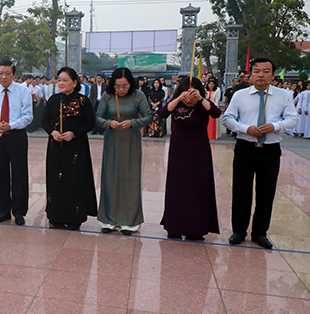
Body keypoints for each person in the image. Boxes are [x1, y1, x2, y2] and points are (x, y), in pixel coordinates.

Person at [222, 58, 298, 248]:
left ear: (273, 75)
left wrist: (275, 126)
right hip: (245, 147)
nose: (261, 75)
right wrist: (245, 128)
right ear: (251, 75)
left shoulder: (283, 96)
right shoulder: (240, 95)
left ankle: (260, 232)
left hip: (270, 149)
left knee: (266, 192)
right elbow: (228, 118)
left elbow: (293, 119)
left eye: (266, 71)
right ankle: (239, 231)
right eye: (256, 71)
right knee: (241, 190)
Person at [158, 77, 222, 240]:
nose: (189, 98)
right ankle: (174, 226)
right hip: (178, 151)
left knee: (198, 188)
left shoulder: (203, 105)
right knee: (177, 188)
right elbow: (162, 113)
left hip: (199, 151)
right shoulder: (177, 103)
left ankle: (196, 229)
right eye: (186, 93)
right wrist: (179, 98)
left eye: (193, 94)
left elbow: (216, 113)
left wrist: (200, 98)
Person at [95, 68, 153, 234]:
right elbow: (98, 117)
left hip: (131, 140)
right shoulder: (107, 96)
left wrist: (133, 123)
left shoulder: (138, 95)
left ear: (131, 84)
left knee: (130, 178)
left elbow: (148, 116)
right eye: (117, 86)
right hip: (112, 140)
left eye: (125, 86)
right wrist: (109, 123)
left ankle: (130, 221)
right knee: (110, 177)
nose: (121, 89)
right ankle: (108, 219)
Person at [42, 67, 97, 230]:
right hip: (56, 147)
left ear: (74, 82)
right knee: (56, 180)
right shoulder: (53, 100)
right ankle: (55, 217)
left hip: (76, 148)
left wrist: (74, 134)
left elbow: (90, 123)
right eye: (59, 80)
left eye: (65, 80)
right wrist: (52, 132)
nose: (61, 83)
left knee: (74, 181)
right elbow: (44, 121)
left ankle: (74, 218)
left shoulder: (83, 101)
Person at [0, 61, 33, 225]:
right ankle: (3, 210)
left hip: (17, 135)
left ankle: (19, 211)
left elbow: (28, 116)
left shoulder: (23, 91)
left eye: (7, 73)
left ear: (14, 75)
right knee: (0, 173)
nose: (3, 77)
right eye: (0, 73)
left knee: (19, 173)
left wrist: (10, 125)